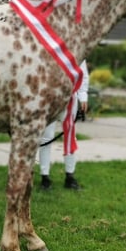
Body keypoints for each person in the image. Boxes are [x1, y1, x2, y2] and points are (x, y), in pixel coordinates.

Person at [38, 60, 89, 191]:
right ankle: (45, 177)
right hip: (49, 97)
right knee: (46, 137)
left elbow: (82, 69)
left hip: (70, 98)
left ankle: (70, 176)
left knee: (70, 136)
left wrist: (83, 94)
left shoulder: (73, 44)